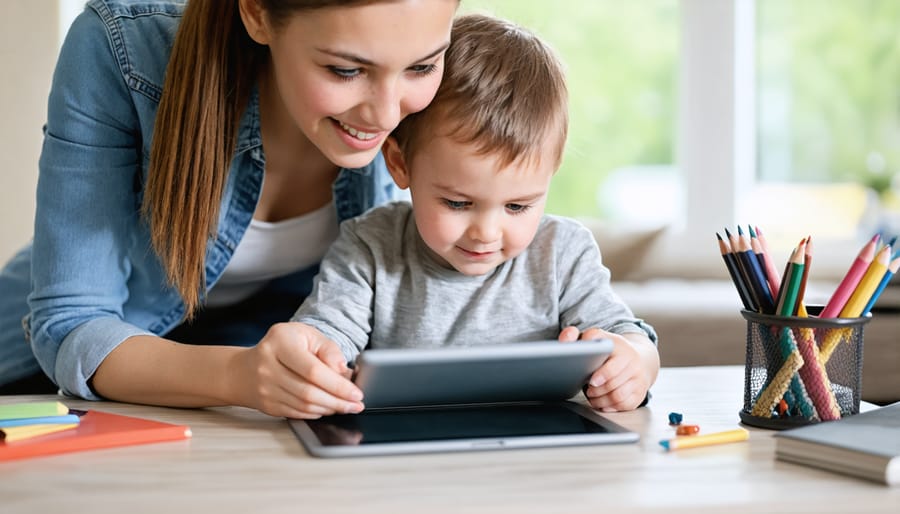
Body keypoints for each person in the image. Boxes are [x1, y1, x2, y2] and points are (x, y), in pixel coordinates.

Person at [0, 0, 458, 419]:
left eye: (421, 66)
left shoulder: (439, 94)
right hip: (44, 374)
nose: (385, 115)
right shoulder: (123, 51)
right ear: (257, 13)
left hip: (249, 381)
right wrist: (238, 374)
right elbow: (70, 325)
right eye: (344, 70)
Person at [292, 13, 660, 414]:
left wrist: (634, 364)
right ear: (400, 165)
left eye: (518, 206)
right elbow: (326, 334)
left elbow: (628, 338)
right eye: (457, 203)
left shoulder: (564, 253)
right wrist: (316, 362)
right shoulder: (369, 246)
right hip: (402, 451)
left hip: (535, 455)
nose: (486, 232)